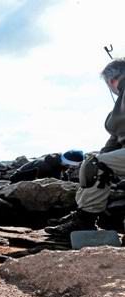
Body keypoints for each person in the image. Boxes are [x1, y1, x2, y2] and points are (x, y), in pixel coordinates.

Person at [46, 59, 125, 236]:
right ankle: (83, 214)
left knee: (96, 164)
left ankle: (85, 221)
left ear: (112, 80)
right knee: (92, 163)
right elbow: (111, 145)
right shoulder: (118, 108)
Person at [8, 150, 84, 183]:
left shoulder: (60, 163)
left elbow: (63, 180)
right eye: (75, 164)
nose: (75, 167)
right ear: (69, 162)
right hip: (19, 179)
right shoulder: (45, 166)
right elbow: (35, 184)